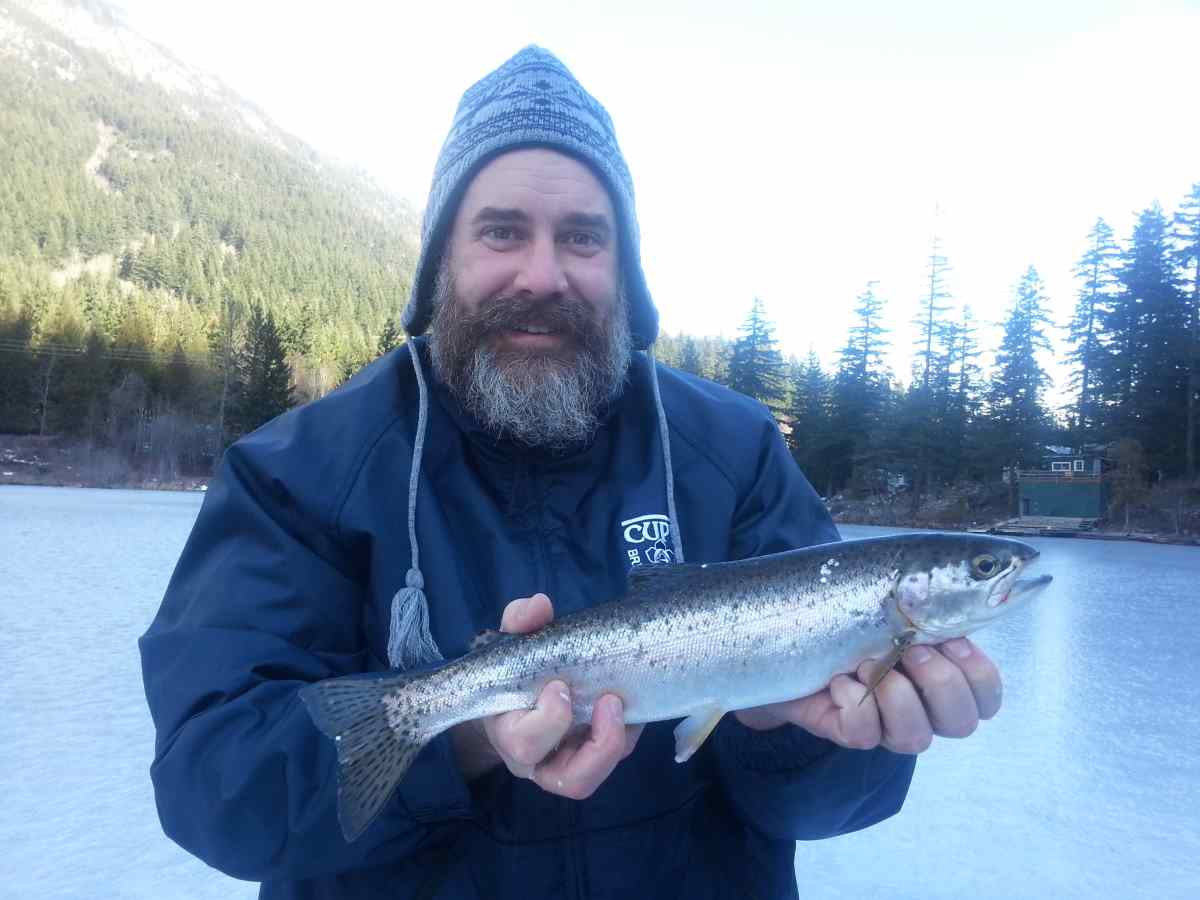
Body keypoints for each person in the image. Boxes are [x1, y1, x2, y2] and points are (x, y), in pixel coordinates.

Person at [140, 46, 1003, 899]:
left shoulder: (733, 451)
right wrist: (467, 740)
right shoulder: (299, 471)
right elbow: (213, 785)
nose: (544, 274)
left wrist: (803, 730)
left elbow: (821, 806)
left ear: (622, 266)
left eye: (584, 237)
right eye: (503, 230)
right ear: (443, 255)